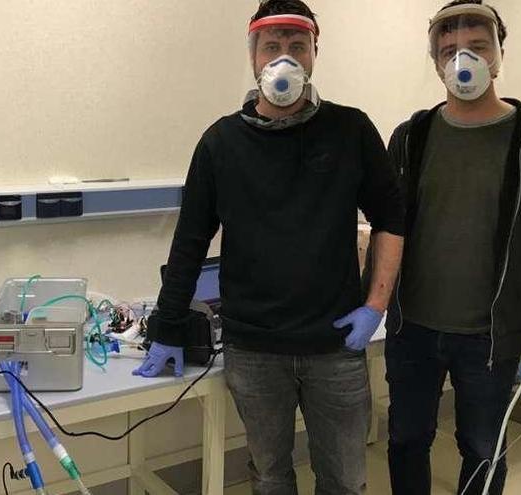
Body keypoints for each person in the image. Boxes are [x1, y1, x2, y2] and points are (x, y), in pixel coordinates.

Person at [132, 1, 405, 493]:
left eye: (297, 46)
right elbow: (190, 242)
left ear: (315, 53)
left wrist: (375, 305)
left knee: (345, 479)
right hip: (253, 349)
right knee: (270, 475)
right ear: (254, 55)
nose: (285, 57)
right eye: (272, 46)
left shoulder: (351, 131)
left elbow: (391, 218)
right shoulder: (220, 143)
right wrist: (166, 327)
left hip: (335, 344)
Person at [384, 2, 521, 494]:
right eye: (448, 51)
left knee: (482, 449)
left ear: (498, 55)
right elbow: (389, 230)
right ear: (435, 63)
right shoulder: (411, 137)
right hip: (414, 331)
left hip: (491, 337)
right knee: (407, 440)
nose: (461, 60)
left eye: (476, 46)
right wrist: (374, 301)